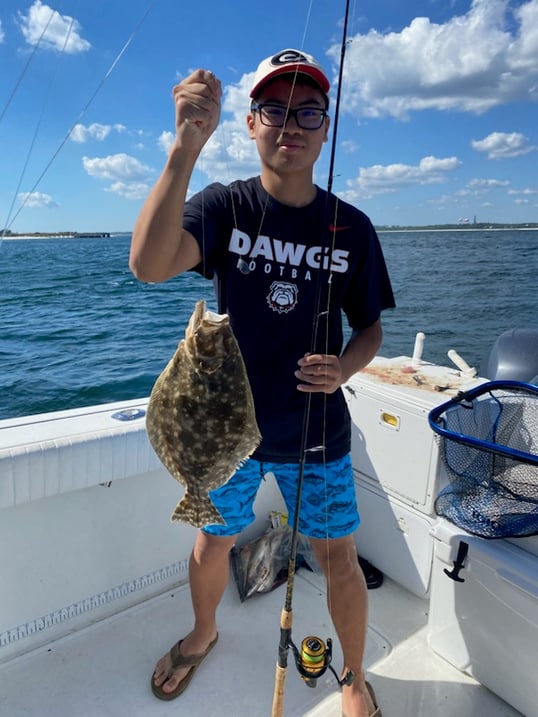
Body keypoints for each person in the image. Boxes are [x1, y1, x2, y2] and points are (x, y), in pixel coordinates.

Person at [130, 48, 394, 717]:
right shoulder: (225, 207)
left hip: (316, 430)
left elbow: (370, 329)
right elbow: (149, 264)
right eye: (274, 108)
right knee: (212, 536)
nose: (290, 124)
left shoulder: (353, 229)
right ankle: (204, 628)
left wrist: (348, 367)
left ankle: (355, 678)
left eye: (308, 110)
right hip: (231, 437)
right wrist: (185, 147)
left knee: (338, 554)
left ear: (325, 127)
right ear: (251, 123)